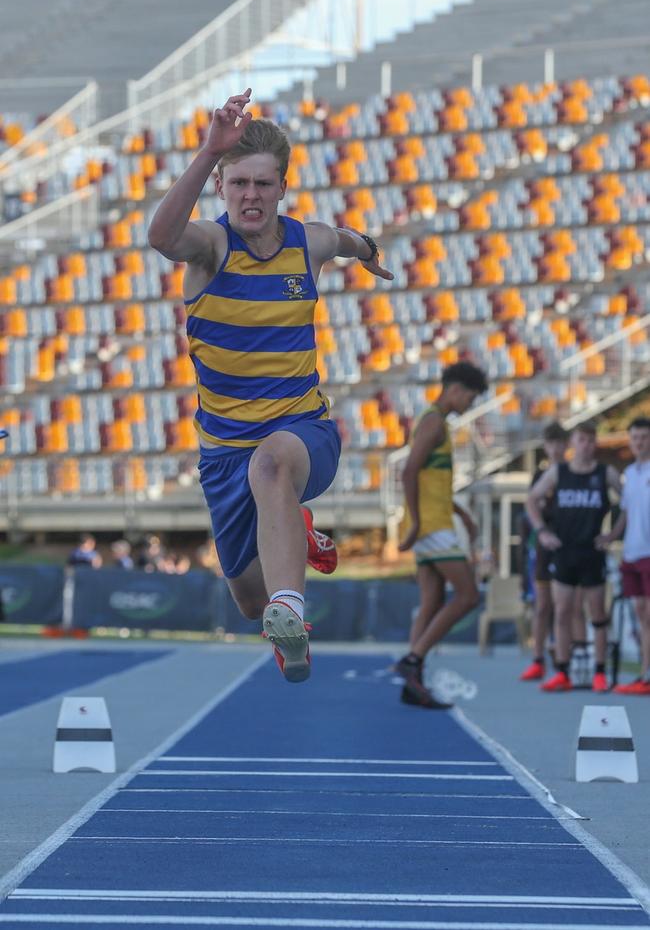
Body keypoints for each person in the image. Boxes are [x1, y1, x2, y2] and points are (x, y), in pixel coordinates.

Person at [148, 88, 393, 683]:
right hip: (224, 451)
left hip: (301, 431)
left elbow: (344, 239)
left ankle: (293, 610)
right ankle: (290, 555)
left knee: (273, 467)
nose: (250, 196)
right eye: (238, 184)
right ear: (223, 189)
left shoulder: (305, 242)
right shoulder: (208, 247)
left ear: (282, 188)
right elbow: (161, 237)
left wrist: (370, 251)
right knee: (248, 601)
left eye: (262, 184)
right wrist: (210, 151)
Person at [394, 361, 488, 708]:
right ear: (455, 389)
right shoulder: (433, 422)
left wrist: (462, 514)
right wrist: (417, 521)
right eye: (471, 397)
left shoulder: (438, 423)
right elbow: (408, 472)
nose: (470, 405)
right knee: (468, 596)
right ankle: (413, 660)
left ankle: (412, 684)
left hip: (434, 522)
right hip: (432, 526)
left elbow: (434, 482)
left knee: (432, 600)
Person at [526, 421, 621, 692]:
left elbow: (630, 502)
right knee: (563, 611)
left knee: (597, 614)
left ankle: (599, 672)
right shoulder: (559, 472)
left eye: (592, 441)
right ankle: (562, 671)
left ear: (595, 444)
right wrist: (542, 531)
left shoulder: (606, 473)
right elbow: (531, 500)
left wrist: (613, 534)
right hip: (564, 551)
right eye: (582, 440)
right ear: (573, 443)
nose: (587, 446)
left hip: (592, 551)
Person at [599, 416, 650, 695]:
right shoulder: (629, 474)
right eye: (635, 438)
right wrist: (610, 536)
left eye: (644, 437)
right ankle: (645, 674)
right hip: (631, 552)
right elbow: (626, 514)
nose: (639, 442)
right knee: (641, 614)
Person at [519, 421, 569, 681]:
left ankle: (565, 658)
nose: (556, 448)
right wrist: (541, 532)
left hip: (569, 546)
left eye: (561, 443)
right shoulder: (540, 477)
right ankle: (537, 658)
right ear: (546, 447)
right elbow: (531, 509)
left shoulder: (573, 473)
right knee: (542, 605)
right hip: (544, 547)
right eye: (551, 444)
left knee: (566, 607)